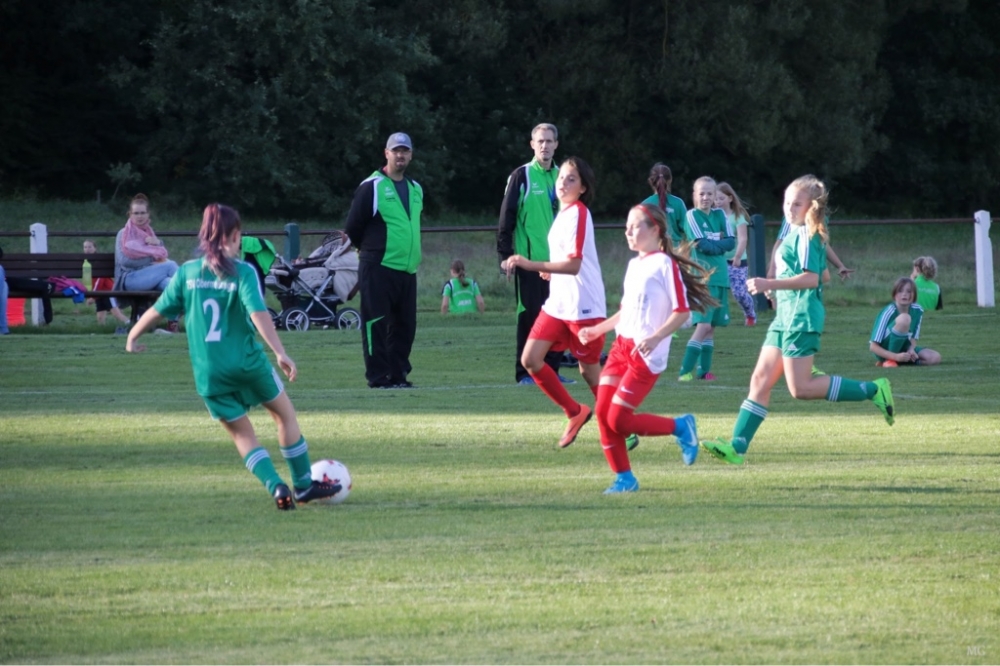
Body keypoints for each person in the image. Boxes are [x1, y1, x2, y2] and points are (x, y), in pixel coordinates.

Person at [125, 203, 341, 510]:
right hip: (248, 364)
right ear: (236, 236)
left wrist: (132, 336)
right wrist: (280, 352)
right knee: (284, 416)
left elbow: (158, 311)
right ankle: (304, 485)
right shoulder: (243, 271)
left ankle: (276, 487)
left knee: (243, 436)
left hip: (210, 374)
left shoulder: (187, 273)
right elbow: (258, 313)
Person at [703, 175, 896, 465]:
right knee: (760, 380)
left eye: (797, 204)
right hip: (785, 317)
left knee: (801, 389)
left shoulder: (807, 233)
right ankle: (736, 448)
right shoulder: (795, 231)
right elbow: (824, 276)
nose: (789, 208)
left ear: (810, 207)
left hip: (801, 318)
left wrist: (771, 284)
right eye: (787, 202)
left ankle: (874, 389)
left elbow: (812, 278)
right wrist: (779, 288)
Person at [577, 204, 717, 493]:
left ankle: (680, 427)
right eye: (627, 226)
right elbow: (627, 311)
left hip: (646, 355)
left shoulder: (664, 265)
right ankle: (624, 479)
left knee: (618, 419)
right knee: (603, 413)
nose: (628, 231)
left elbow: (682, 311)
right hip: (621, 348)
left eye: (635, 226)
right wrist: (597, 330)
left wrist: (655, 338)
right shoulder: (634, 265)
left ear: (655, 230)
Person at [505, 157, 606, 448]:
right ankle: (575, 412)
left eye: (572, 179)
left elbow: (574, 265)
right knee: (530, 359)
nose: (563, 182)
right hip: (559, 304)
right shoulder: (562, 213)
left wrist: (531, 263)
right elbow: (565, 261)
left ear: (583, 188)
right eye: (561, 177)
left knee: (588, 371)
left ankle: (619, 424)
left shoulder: (579, 213)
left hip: (583, 304)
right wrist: (551, 271)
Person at [497, 123, 575, 386]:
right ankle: (524, 374)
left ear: (556, 144)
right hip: (529, 263)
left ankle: (551, 371)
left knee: (558, 319)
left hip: (558, 266)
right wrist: (505, 256)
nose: (545, 146)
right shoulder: (522, 176)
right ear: (532, 145)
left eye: (549, 141)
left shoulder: (564, 177)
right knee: (529, 317)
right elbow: (506, 217)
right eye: (540, 141)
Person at [345, 132, 422, 389]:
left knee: (405, 326)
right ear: (386, 153)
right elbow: (353, 227)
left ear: (410, 155)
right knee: (376, 324)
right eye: (396, 150)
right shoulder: (372, 186)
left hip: (407, 269)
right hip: (378, 266)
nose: (400, 155)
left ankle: (398, 375)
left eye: (405, 151)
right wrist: (371, 252)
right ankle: (378, 377)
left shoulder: (415, 189)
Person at [676, 176, 735, 381]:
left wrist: (715, 245)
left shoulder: (720, 215)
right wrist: (718, 245)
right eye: (701, 193)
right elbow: (701, 245)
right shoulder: (692, 215)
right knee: (703, 326)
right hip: (703, 279)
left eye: (710, 194)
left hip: (721, 277)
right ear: (694, 195)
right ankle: (684, 371)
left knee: (711, 328)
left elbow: (731, 243)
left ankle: (704, 371)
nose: (706, 197)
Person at [870, 276, 941, 367]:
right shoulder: (888, 311)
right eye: (900, 291)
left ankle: (903, 360)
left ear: (914, 294)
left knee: (935, 358)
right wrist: (895, 356)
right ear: (894, 294)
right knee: (904, 318)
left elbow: (913, 338)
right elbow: (873, 346)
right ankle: (889, 361)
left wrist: (911, 349)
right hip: (885, 350)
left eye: (909, 291)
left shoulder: (918, 310)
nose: (904, 294)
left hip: (904, 348)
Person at [716, 182, 756, 326]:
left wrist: (737, 257)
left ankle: (750, 314)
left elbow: (743, 238)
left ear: (730, 198)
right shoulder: (714, 217)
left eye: (721, 198)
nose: (718, 202)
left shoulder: (738, 217)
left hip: (737, 261)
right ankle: (719, 317)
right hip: (719, 260)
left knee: (739, 292)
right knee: (717, 291)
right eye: (716, 199)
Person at [83, 239, 130, 330]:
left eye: (90, 247)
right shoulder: (86, 262)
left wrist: (93, 296)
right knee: (100, 317)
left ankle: (131, 325)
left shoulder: (98, 261)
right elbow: (88, 280)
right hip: (98, 293)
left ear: (95, 248)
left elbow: (100, 279)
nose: (87, 249)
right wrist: (89, 294)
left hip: (107, 291)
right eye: (85, 247)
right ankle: (102, 331)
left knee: (116, 314)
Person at [641, 163, 688, 248]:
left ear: (650, 181)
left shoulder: (644, 205)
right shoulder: (678, 203)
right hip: (675, 250)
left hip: (652, 249)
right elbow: (687, 230)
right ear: (670, 180)